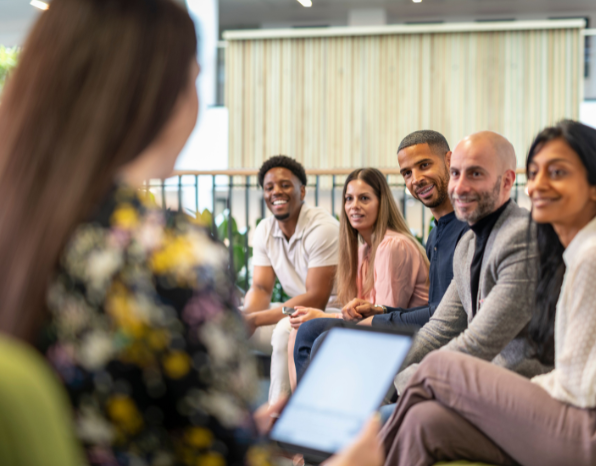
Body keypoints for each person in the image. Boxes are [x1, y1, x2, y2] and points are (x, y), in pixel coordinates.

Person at [0, 1, 382, 465]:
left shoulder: (23, 230)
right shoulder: (167, 254)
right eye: (195, 78)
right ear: (158, 94)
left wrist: (243, 431)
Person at [379, 121, 596, 466]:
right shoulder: (580, 251)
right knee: (427, 422)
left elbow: (576, 388)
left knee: (442, 370)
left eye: (557, 172)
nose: (538, 185)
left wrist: (481, 392)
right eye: (535, 172)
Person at [293, 130, 469, 379]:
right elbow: (434, 308)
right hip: (427, 327)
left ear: (450, 160)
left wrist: (381, 319)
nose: (416, 179)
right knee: (309, 331)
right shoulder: (435, 235)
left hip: (440, 339)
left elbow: (447, 316)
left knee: (321, 337)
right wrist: (380, 311)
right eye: (407, 173)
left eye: (424, 165)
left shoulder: (465, 231)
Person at [391, 131, 548, 396]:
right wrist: (382, 371)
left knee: (394, 421)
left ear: (507, 181)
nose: (460, 187)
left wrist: (406, 379)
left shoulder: (523, 237)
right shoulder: (467, 246)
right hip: (477, 383)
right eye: (455, 174)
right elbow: (437, 331)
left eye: (475, 174)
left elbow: (479, 342)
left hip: (519, 390)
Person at [288, 168, 431, 385]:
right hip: (382, 332)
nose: (354, 206)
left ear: (381, 204)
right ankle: (299, 409)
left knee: (311, 329)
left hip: (409, 338)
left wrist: (322, 316)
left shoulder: (393, 245)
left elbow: (383, 319)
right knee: (296, 331)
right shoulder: (363, 250)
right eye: (349, 199)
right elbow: (358, 314)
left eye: (364, 198)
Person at [244, 155, 340, 401]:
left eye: (285, 185)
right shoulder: (265, 229)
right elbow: (261, 288)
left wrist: (255, 319)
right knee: (226, 324)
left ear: (302, 191)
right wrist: (245, 320)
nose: (276, 191)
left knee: (285, 329)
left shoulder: (323, 228)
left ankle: (278, 417)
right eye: (269, 187)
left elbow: (316, 299)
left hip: (332, 315)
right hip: (299, 312)